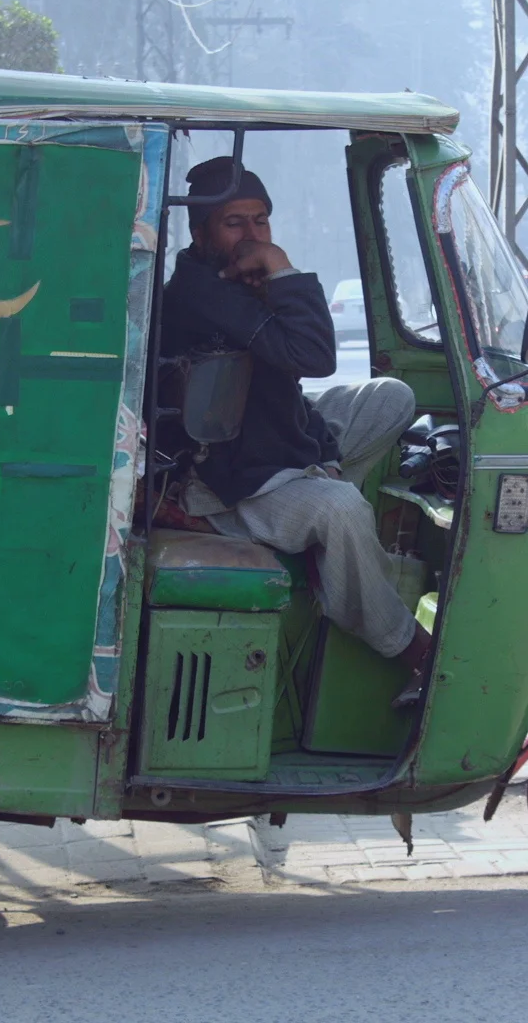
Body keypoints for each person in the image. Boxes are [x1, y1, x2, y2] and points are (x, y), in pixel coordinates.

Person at [159, 156, 434, 708]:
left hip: (276, 442)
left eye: (261, 221)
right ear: (201, 232)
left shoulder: (236, 283)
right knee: (341, 510)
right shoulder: (202, 294)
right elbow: (313, 355)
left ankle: (323, 523)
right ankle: (407, 645)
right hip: (228, 480)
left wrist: (323, 456)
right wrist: (282, 270)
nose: (252, 235)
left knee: (391, 398)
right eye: (234, 222)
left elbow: (289, 387)